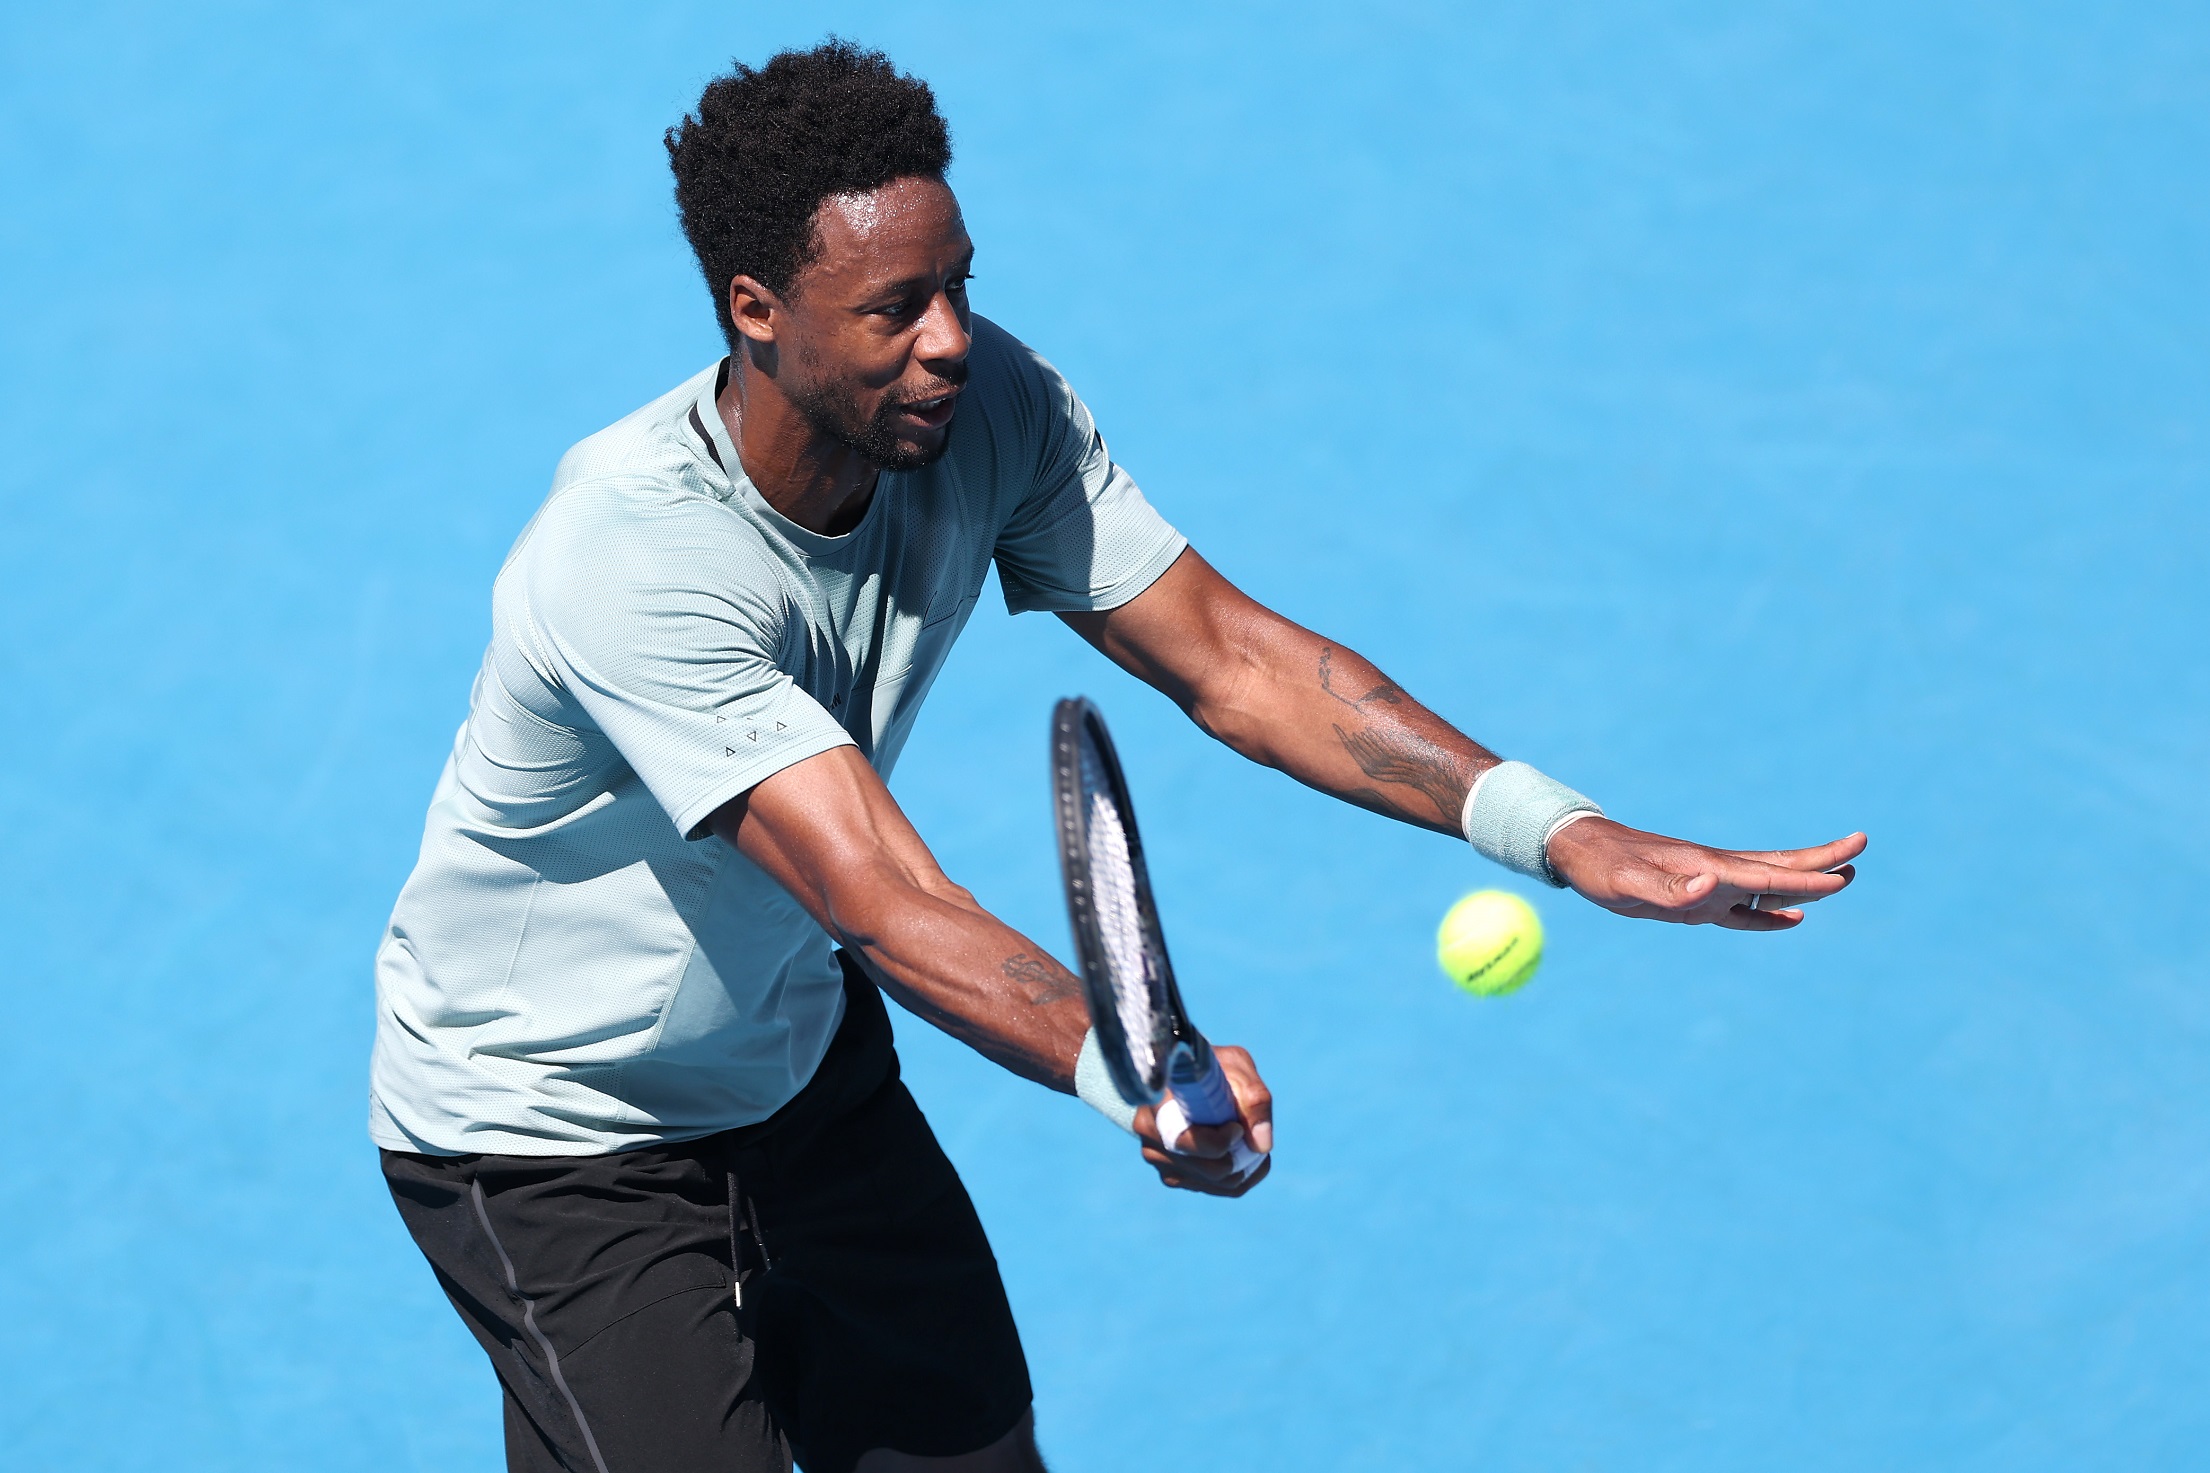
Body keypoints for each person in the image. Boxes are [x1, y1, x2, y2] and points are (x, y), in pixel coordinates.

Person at [370, 39, 1864, 1473]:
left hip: (791, 1063)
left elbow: (1233, 657)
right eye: (895, 309)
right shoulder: (632, 557)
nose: (950, 340)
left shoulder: (987, 409)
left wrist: (1557, 830)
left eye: (958, 287)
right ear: (756, 307)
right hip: (555, 1129)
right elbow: (879, 896)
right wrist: (1134, 1064)